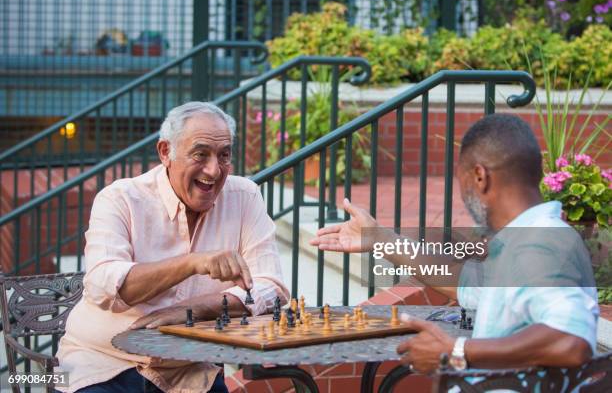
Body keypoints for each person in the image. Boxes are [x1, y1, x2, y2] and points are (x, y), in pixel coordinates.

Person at [311, 113, 598, 373]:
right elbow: (460, 281)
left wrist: (457, 351)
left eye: (461, 181)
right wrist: (381, 239)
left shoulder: (539, 244)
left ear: (480, 176)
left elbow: (571, 340)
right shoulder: (524, 239)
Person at [56, 102, 289, 392]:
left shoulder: (244, 195)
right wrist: (193, 263)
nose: (215, 170)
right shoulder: (119, 198)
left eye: (224, 155)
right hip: (101, 364)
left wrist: (193, 310)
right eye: (200, 154)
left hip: (190, 369)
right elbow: (106, 285)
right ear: (166, 152)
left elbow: (271, 288)